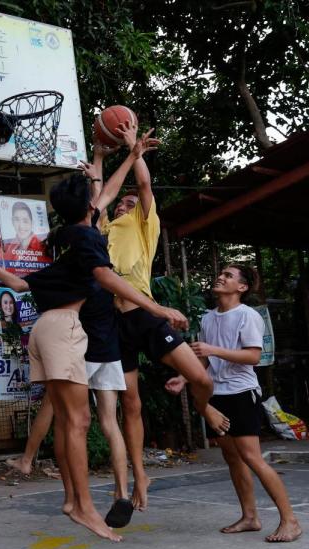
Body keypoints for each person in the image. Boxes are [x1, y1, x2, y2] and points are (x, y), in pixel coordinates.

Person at [0, 173, 192, 542]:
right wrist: (156, 307)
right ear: (90, 208)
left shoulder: (70, 250)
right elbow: (106, 276)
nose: (103, 199)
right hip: (63, 332)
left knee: (65, 421)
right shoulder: (88, 240)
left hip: (45, 330)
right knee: (78, 421)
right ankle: (85, 508)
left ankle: (72, 500)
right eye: (97, 198)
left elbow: (20, 284)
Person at [87, 119, 224, 512]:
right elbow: (99, 196)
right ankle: (138, 475)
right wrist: (98, 157)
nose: (126, 205)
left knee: (198, 376)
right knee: (131, 405)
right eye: (123, 203)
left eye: (131, 204)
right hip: (115, 325)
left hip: (145, 315)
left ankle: (203, 407)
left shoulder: (145, 225)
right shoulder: (107, 229)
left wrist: (135, 148)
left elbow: (143, 187)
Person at [165, 265, 302, 543]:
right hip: (216, 395)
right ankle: (250, 517)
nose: (221, 277)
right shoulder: (208, 318)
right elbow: (204, 359)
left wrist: (212, 349)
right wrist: (182, 377)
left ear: (242, 287)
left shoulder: (247, 315)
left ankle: (291, 520)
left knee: (251, 457)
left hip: (241, 393)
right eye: (221, 273)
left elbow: (253, 356)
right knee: (232, 458)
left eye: (228, 275)